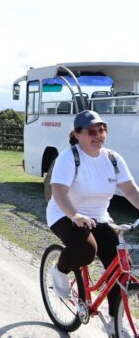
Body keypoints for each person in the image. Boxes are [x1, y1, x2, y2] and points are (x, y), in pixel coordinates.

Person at [47, 110, 139, 320]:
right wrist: (75, 215)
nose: (98, 135)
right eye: (91, 132)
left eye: (102, 130)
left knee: (120, 266)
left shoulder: (113, 159)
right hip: (64, 213)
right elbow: (59, 191)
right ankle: (60, 271)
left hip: (99, 217)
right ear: (77, 134)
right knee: (86, 250)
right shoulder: (69, 157)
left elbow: (132, 191)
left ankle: (116, 322)